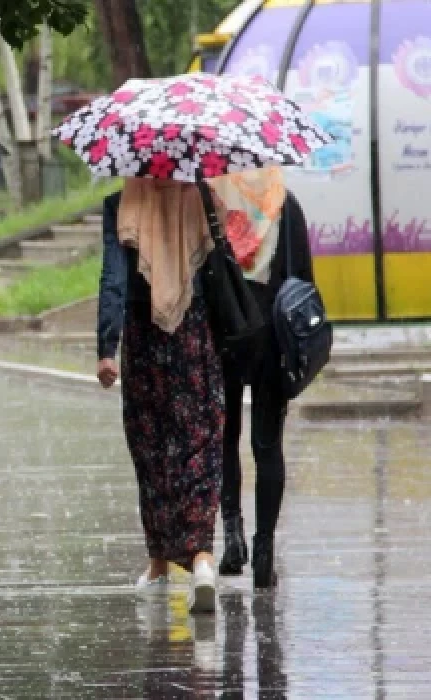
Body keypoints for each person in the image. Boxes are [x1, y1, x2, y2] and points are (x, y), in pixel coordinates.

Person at [96, 177, 225, 615]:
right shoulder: (203, 199)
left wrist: (105, 348)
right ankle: (203, 560)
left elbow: (113, 278)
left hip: (142, 337)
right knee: (200, 442)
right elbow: (220, 268)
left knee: (151, 449)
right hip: (194, 333)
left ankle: (159, 568)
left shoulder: (121, 204)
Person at [210, 168, 314, 589]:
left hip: (225, 334)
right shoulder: (285, 204)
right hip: (273, 338)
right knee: (267, 445)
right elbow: (304, 282)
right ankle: (265, 550)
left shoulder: (214, 202)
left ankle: (233, 537)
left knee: (225, 438)